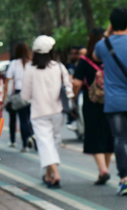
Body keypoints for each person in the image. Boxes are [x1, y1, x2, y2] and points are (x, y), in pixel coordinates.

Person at [21, 35, 72, 188]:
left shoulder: (30, 69)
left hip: (39, 112)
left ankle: (55, 174)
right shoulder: (58, 67)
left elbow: (25, 95)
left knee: (45, 144)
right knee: (54, 143)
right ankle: (49, 174)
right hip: (57, 111)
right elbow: (68, 88)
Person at [73, 28, 114, 185]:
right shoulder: (110, 57)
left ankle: (102, 170)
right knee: (109, 136)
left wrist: (74, 99)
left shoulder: (84, 60)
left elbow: (76, 83)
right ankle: (105, 169)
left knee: (94, 135)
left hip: (91, 103)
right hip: (111, 100)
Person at [93, 7, 127, 196]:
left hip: (114, 102)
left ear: (112, 25)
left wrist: (108, 33)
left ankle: (124, 179)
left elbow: (96, 58)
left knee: (120, 140)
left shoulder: (103, 45)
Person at [3, 43, 34, 152]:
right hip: (30, 93)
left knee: (16, 118)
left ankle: (21, 143)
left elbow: (8, 80)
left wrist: (5, 96)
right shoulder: (31, 63)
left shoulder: (14, 63)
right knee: (26, 118)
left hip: (18, 93)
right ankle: (29, 139)